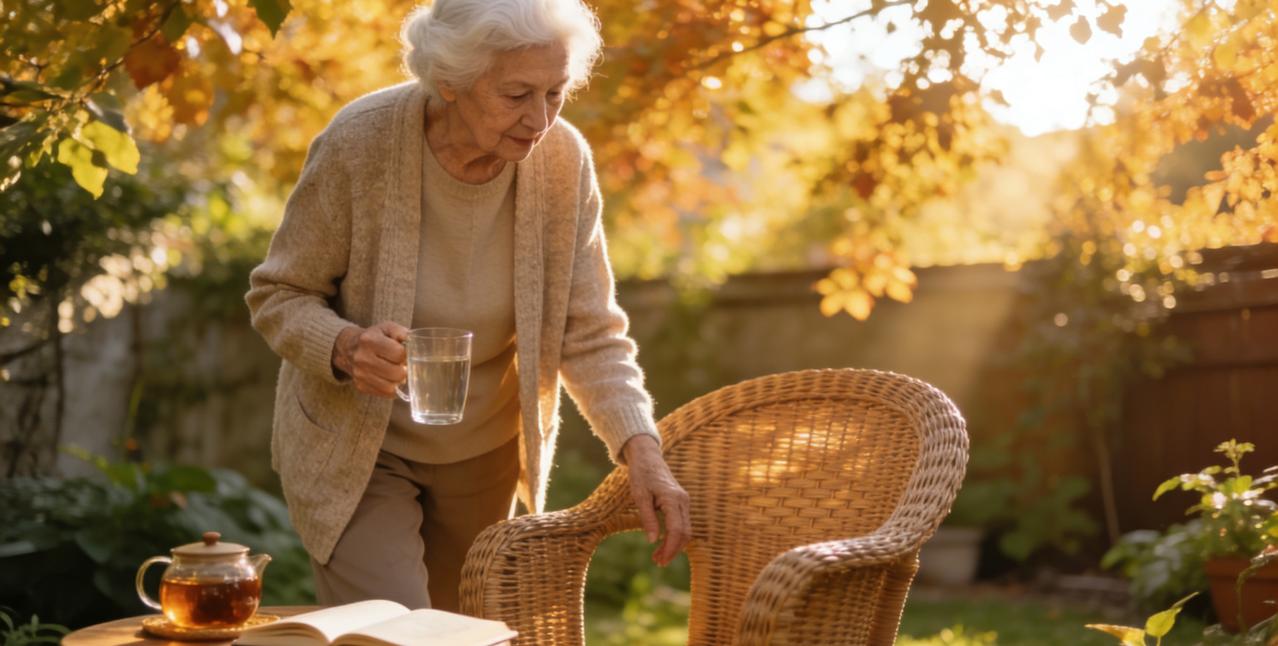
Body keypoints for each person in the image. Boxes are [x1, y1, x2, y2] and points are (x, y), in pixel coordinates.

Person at [245, 0, 691, 613]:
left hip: (485, 450)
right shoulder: (361, 141)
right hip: (360, 447)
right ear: (450, 82)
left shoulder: (563, 160)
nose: (540, 118)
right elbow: (279, 293)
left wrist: (642, 450)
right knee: (393, 627)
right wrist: (345, 347)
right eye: (516, 95)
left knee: (464, 627)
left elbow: (589, 333)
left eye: (556, 92)